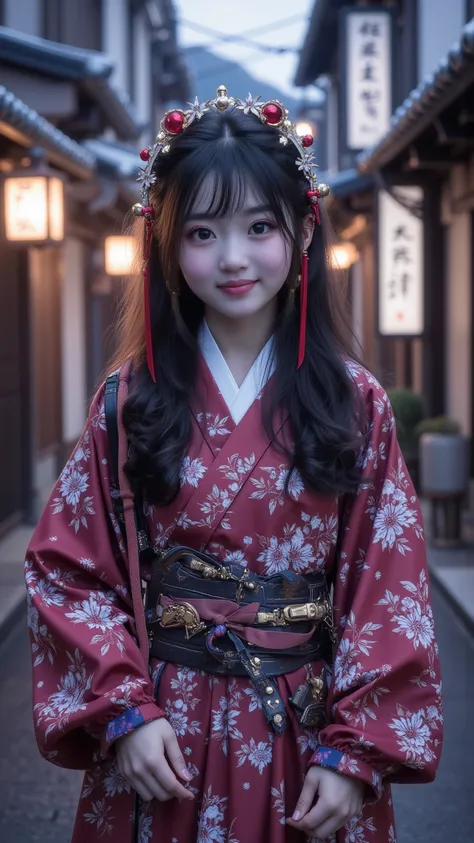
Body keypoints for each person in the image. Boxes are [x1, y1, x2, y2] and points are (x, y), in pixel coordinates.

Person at [25, 86, 442, 843]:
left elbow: (393, 587)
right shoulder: (128, 400)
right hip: (162, 734)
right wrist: (124, 711)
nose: (234, 257)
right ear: (166, 244)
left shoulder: (357, 403)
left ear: (305, 229)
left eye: (259, 226)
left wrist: (355, 751)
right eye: (203, 232)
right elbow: (67, 568)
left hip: (307, 735)